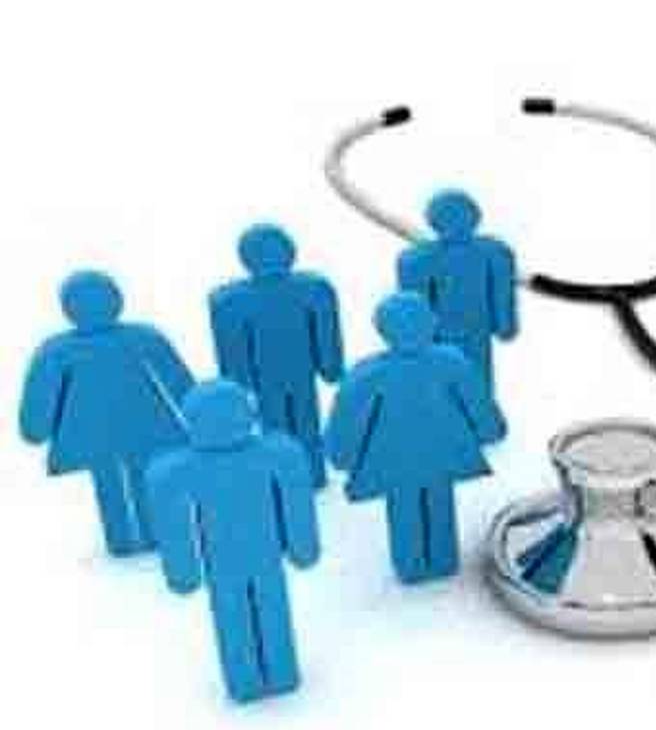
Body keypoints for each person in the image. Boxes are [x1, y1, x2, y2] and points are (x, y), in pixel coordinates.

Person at [147, 380, 319, 704]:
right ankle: (277, 672)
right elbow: (296, 501)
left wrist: (184, 572)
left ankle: (249, 678)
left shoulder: (182, 470)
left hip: (225, 563)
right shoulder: (275, 455)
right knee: (268, 606)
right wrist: (302, 547)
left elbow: (174, 525)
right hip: (262, 557)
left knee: (234, 614)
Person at [326, 292, 505, 583]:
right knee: (434, 501)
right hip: (440, 451)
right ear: (431, 321)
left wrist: (341, 455)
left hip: (396, 459)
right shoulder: (450, 361)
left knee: (408, 507)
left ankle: (415, 565)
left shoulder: (369, 373)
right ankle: (438, 561)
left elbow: (348, 416)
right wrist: (489, 429)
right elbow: (477, 402)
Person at [19, 270, 193, 556]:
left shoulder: (56, 351)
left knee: (111, 481)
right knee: (130, 477)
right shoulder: (144, 337)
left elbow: (40, 396)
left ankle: (125, 538)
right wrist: (204, 415)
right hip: (142, 426)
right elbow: (179, 382)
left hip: (100, 434)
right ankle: (144, 536)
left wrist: (35, 429)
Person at [209, 223, 344, 487]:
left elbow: (232, 347)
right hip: (296, 372)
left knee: (278, 426)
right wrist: (331, 366)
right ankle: (309, 474)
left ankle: (289, 478)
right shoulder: (314, 288)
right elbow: (326, 333)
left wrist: (239, 383)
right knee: (303, 420)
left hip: (267, 375)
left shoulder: (229, 300)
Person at [397, 190, 518, 399]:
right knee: (474, 384)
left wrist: (413, 338)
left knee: (444, 385)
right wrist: (505, 327)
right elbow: (502, 299)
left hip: (443, 336)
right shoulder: (495, 252)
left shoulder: (416, 259)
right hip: (472, 333)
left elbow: (413, 307)